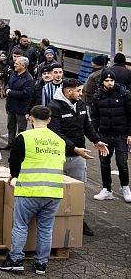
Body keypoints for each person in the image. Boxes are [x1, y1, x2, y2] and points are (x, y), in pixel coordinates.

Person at [0, 106, 65, 275]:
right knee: (46, 229)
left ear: (30, 119)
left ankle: (15, 260)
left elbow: (14, 160)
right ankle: (41, 264)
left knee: (20, 226)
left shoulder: (25, 137)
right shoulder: (59, 140)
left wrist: (13, 176)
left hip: (29, 190)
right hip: (53, 192)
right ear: (49, 120)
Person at [47, 78, 108, 236]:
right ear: (69, 92)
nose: (81, 94)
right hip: (59, 158)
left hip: (78, 157)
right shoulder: (54, 107)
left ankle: (79, 220)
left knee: (79, 191)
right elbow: (56, 134)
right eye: (79, 91)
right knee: (56, 192)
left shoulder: (80, 105)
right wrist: (74, 148)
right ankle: (55, 221)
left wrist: (97, 140)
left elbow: (87, 125)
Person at [90, 69, 131, 202]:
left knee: (122, 163)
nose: (109, 83)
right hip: (104, 135)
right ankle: (106, 189)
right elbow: (94, 117)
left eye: (111, 80)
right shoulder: (97, 96)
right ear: (102, 82)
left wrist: (130, 134)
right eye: (107, 81)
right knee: (104, 163)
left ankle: (125, 187)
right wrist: (95, 138)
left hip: (121, 135)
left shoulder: (124, 94)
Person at [4, 56, 35, 150]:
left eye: (16, 64)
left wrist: (10, 92)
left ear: (23, 66)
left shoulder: (28, 78)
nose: (14, 65)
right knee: (10, 126)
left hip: (21, 108)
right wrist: (7, 88)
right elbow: (9, 83)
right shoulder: (14, 73)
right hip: (11, 106)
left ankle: (19, 146)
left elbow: (26, 93)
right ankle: (10, 143)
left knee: (21, 129)